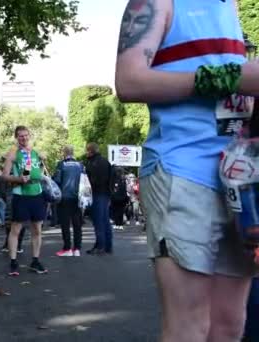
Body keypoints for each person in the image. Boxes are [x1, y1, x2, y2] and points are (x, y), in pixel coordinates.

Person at [115, 1, 259, 340]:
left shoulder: (231, 7)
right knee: (189, 327)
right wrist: (233, 77)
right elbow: (128, 81)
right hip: (181, 170)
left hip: (238, 178)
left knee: (229, 325)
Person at [1, 126, 47, 276]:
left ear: (30, 136)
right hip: (21, 195)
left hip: (37, 193)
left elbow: (41, 170)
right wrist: (19, 179)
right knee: (16, 229)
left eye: (26, 135)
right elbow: (4, 176)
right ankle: (13, 262)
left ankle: (35, 261)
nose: (24, 138)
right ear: (16, 137)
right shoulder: (13, 153)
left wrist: (43, 160)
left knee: (37, 230)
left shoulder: (35, 152)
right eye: (21, 136)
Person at [53, 146, 84, 257]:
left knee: (65, 224)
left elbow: (57, 180)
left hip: (64, 197)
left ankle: (67, 248)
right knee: (77, 224)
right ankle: (77, 248)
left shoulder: (61, 164)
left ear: (64, 153)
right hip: (77, 197)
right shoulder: (80, 165)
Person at [85, 142, 113, 255]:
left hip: (97, 194)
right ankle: (107, 246)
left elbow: (93, 180)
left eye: (87, 150)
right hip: (105, 193)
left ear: (90, 151)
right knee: (105, 220)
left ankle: (100, 246)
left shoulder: (93, 163)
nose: (86, 152)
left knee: (98, 221)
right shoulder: (105, 161)